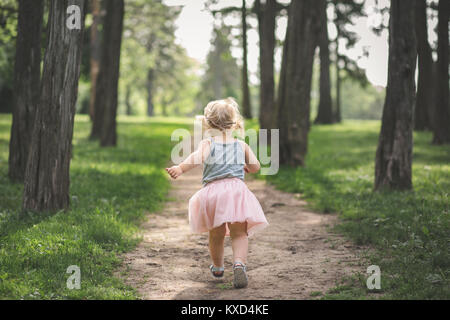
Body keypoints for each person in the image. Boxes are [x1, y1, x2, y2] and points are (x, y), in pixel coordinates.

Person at [166, 98, 268, 288]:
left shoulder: (208, 143)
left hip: (214, 194)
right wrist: (246, 166)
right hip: (237, 193)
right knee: (239, 233)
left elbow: (197, 158)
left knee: (216, 234)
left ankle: (218, 267)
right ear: (235, 122)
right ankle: (239, 264)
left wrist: (180, 168)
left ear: (207, 124)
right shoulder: (241, 145)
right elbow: (256, 166)